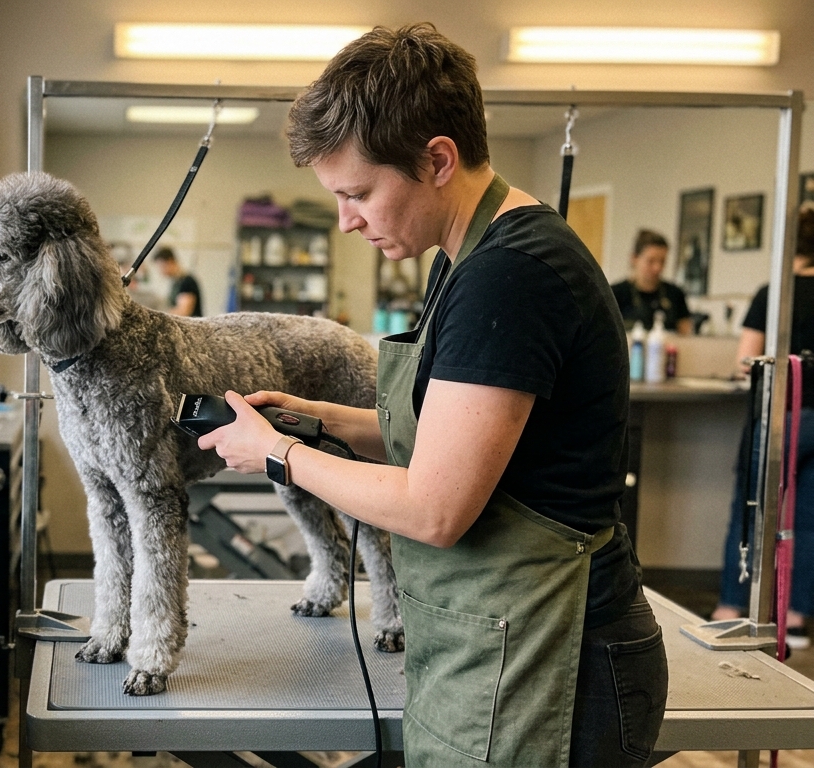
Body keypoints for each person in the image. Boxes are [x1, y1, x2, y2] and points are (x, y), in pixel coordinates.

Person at [198, 24, 666, 767]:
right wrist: (314, 418)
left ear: (438, 160)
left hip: (557, 661)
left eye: (358, 193)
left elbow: (434, 509)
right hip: (498, 637)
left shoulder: (510, 276)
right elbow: (446, 438)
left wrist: (280, 454)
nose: (347, 220)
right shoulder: (465, 259)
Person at [713, 208, 814, 649]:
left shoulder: (774, 292)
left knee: (751, 510)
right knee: (807, 519)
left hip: (778, 417)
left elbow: (747, 361)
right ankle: (795, 618)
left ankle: (730, 608)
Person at [612, 229, 693, 333]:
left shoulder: (675, 294)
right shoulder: (615, 294)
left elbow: (686, 334)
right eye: (651, 261)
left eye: (662, 261)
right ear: (634, 258)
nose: (657, 268)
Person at [152, 247, 203, 317]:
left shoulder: (187, 282)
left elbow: (183, 312)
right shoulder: (175, 283)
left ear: (170, 262)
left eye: (161, 266)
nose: (160, 271)